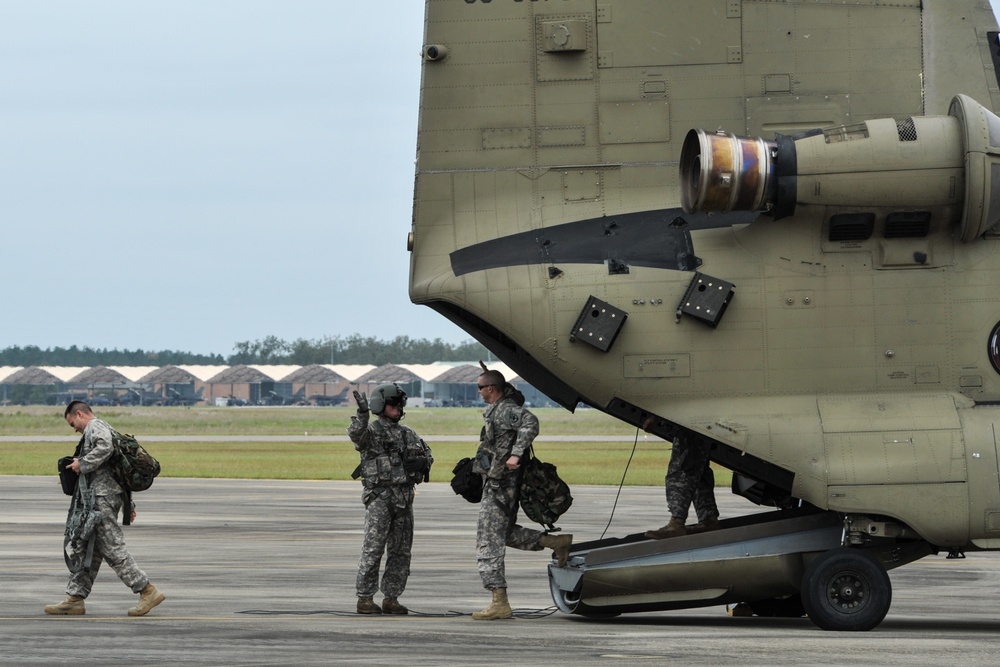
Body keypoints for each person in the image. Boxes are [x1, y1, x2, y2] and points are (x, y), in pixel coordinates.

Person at [44, 401, 165, 617]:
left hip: (101, 500)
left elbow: (106, 447)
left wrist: (83, 463)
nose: (74, 429)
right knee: (88, 547)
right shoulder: (102, 427)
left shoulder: (96, 427)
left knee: (111, 547)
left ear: (79, 414)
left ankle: (147, 590)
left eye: (73, 423)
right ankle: (75, 598)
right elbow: (116, 471)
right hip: (100, 498)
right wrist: (129, 503)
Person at [471, 367, 572, 621]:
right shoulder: (500, 408)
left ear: (491, 389)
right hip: (499, 482)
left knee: (488, 540)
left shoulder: (505, 410)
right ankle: (555, 542)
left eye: (480, 387)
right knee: (504, 533)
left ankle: (499, 602)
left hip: (500, 485)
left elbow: (530, 421)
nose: (479, 392)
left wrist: (516, 453)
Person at [349, 382, 432, 615]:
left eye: (400, 404)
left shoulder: (408, 433)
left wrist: (424, 462)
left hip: (404, 500)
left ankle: (391, 598)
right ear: (380, 406)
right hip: (381, 499)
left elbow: (427, 453)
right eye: (392, 404)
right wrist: (362, 414)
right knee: (373, 549)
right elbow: (357, 436)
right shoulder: (372, 432)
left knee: (401, 552)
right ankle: (365, 598)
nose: (397, 407)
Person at [644, 425, 720, 539]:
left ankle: (676, 523)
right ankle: (709, 520)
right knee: (700, 471)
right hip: (701, 424)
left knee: (683, 471)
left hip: (691, 425)